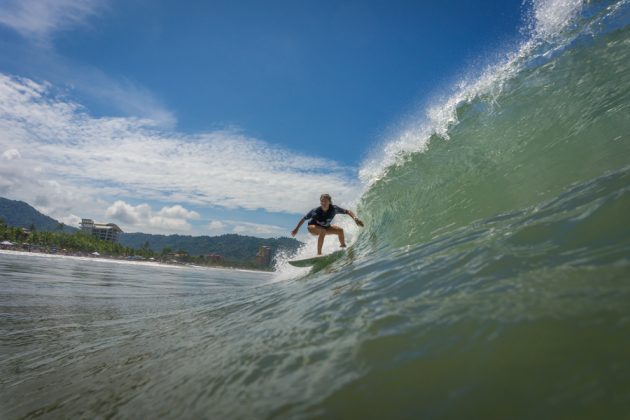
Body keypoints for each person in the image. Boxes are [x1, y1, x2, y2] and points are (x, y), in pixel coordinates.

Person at [291, 193, 364, 255]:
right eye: (322, 201)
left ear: (329, 202)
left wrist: (355, 219)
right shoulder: (315, 211)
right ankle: (319, 254)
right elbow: (303, 219)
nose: (323, 203)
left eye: (325, 201)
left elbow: (348, 211)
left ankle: (343, 247)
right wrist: (296, 229)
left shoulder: (334, 209)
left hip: (326, 228)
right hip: (312, 228)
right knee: (322, 230)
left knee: (340, 231)